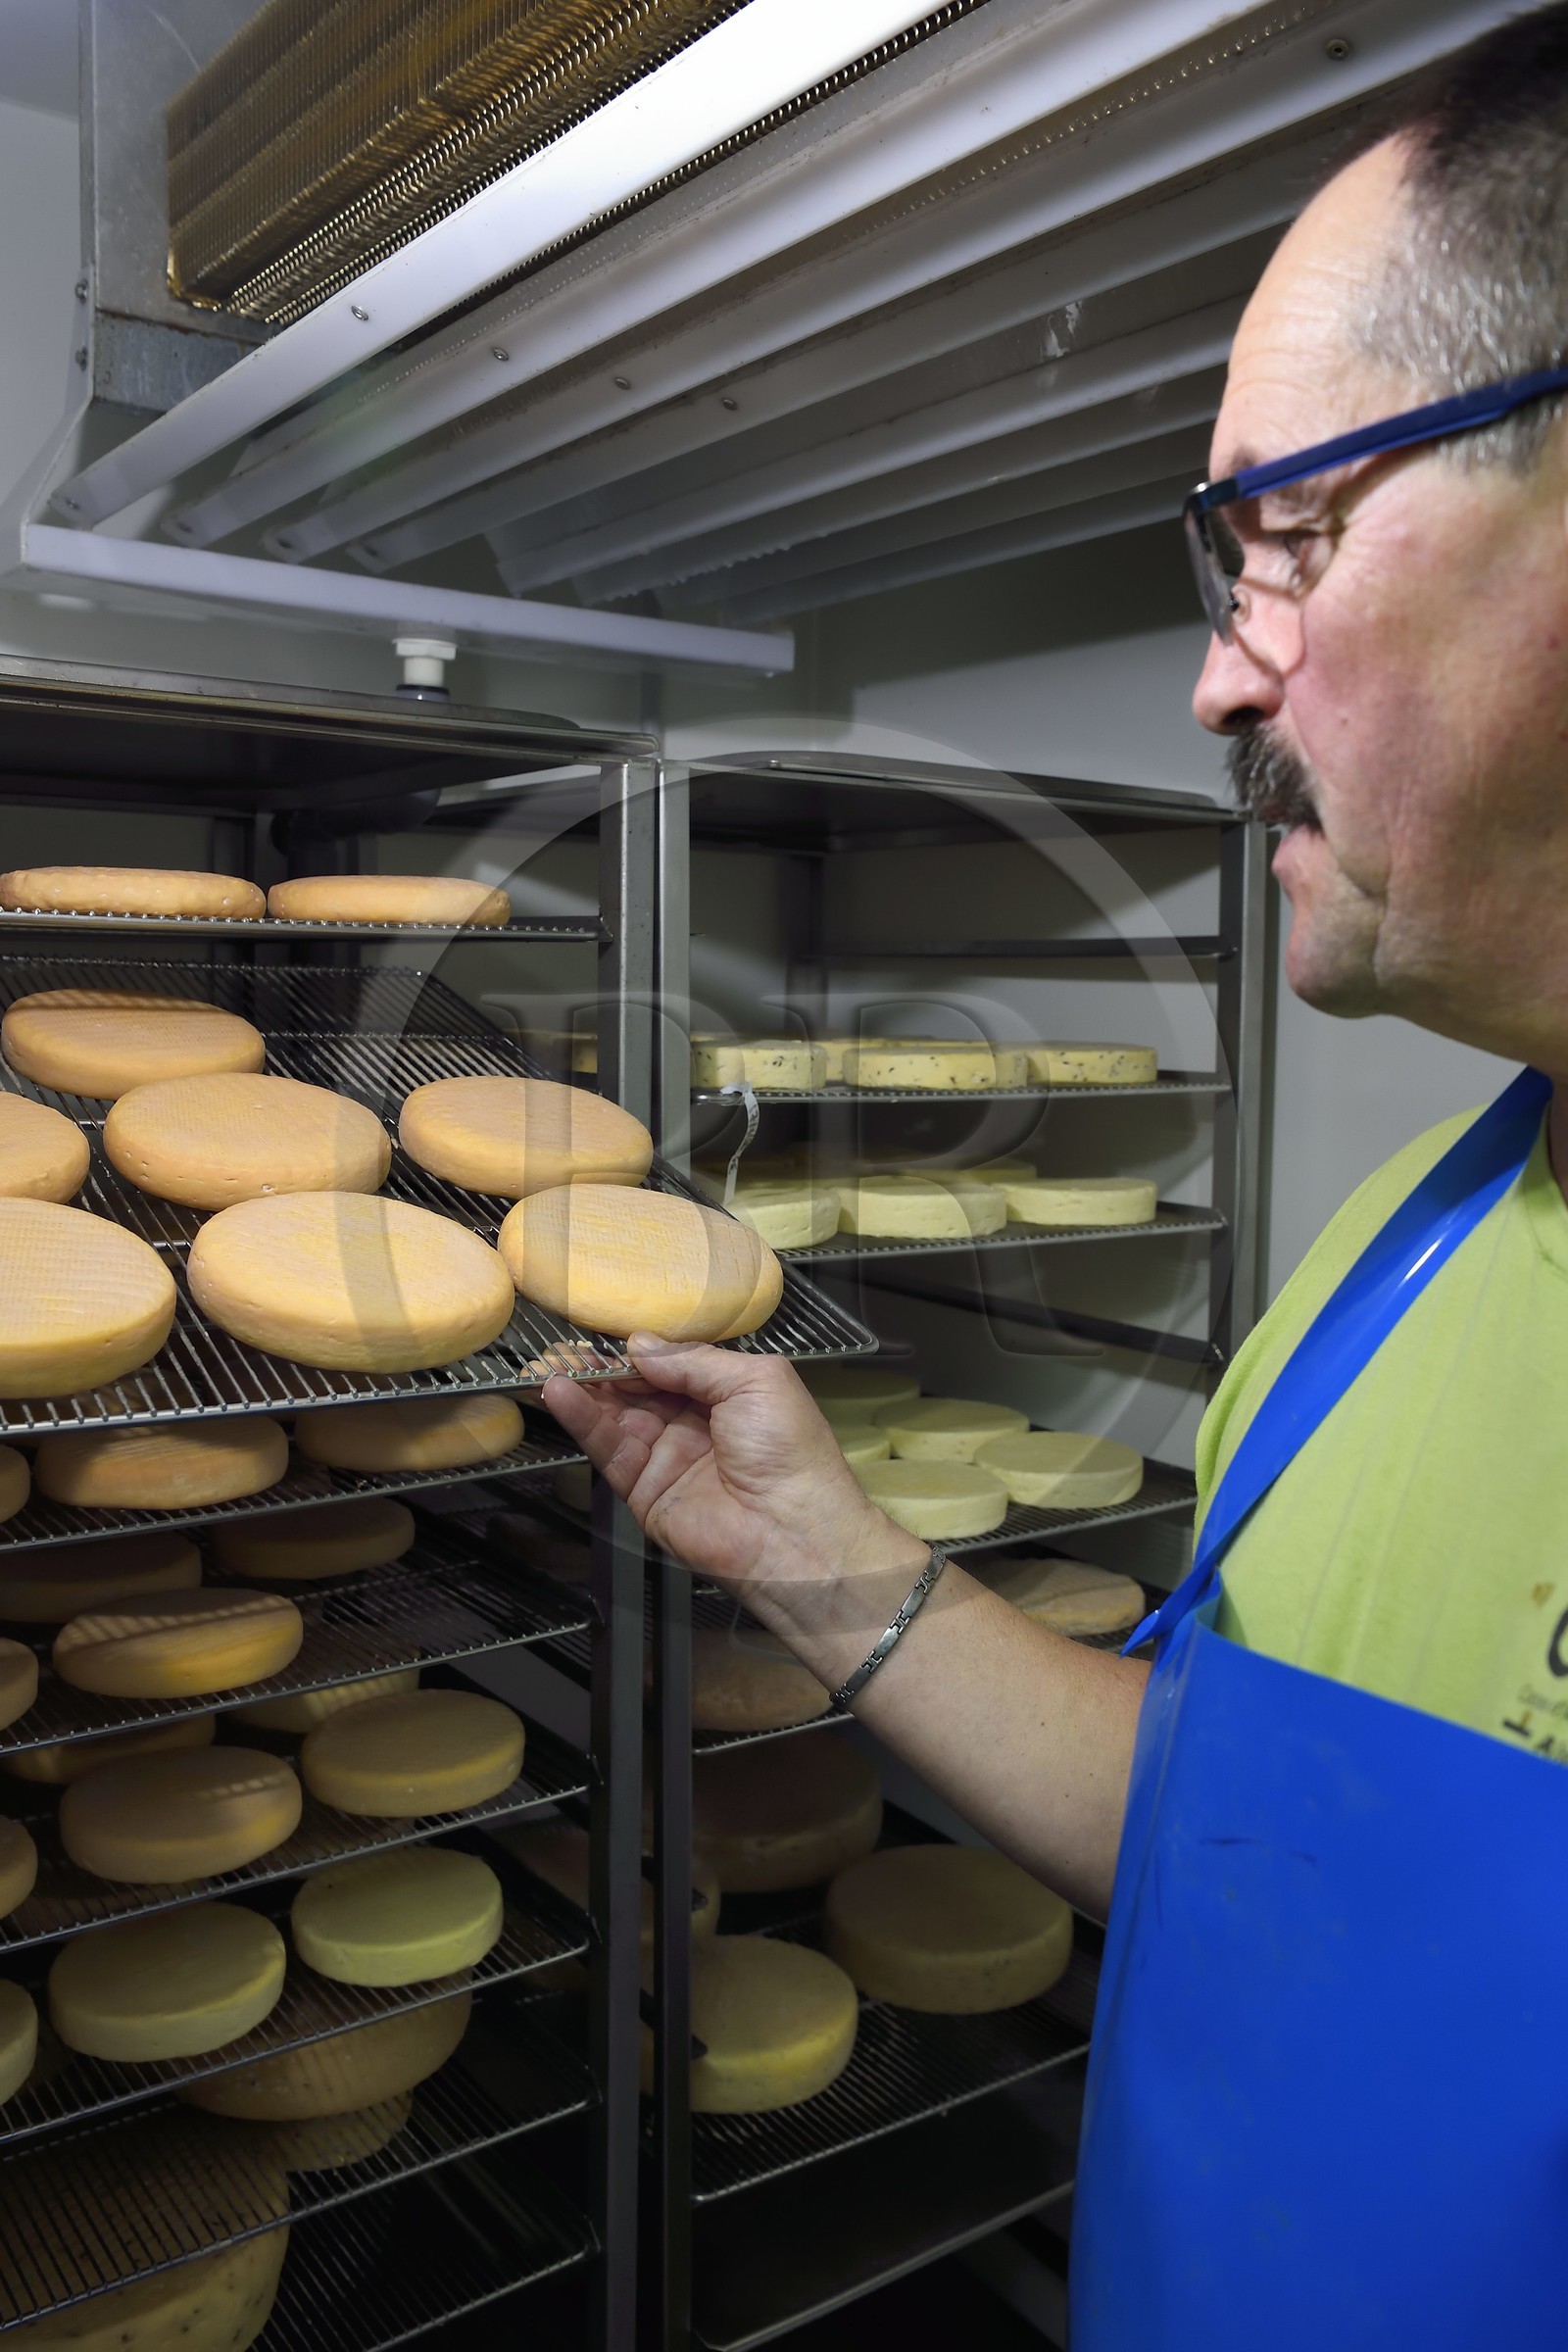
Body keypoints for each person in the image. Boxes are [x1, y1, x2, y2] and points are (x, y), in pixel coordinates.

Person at [545, 12, 1568, 2343]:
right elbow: (1236, 1849)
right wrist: (805, 1553)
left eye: (1285, 535)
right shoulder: (1399, 1257)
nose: (1216, 685)